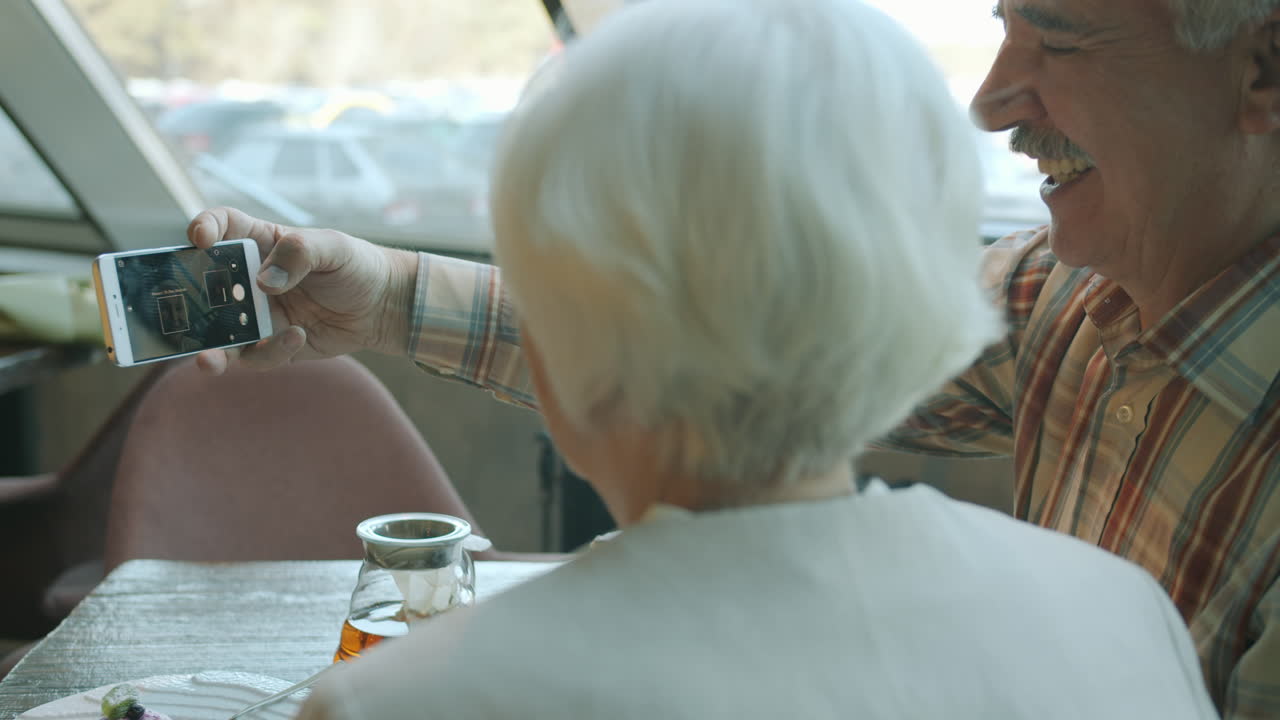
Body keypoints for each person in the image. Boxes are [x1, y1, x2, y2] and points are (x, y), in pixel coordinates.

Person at [186, 0, 1278, 716]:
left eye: (1061, 36)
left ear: (1259, 69)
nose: (989, 99)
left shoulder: (408, 702)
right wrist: (387, 297)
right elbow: (750, 318)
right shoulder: (1116, 604)